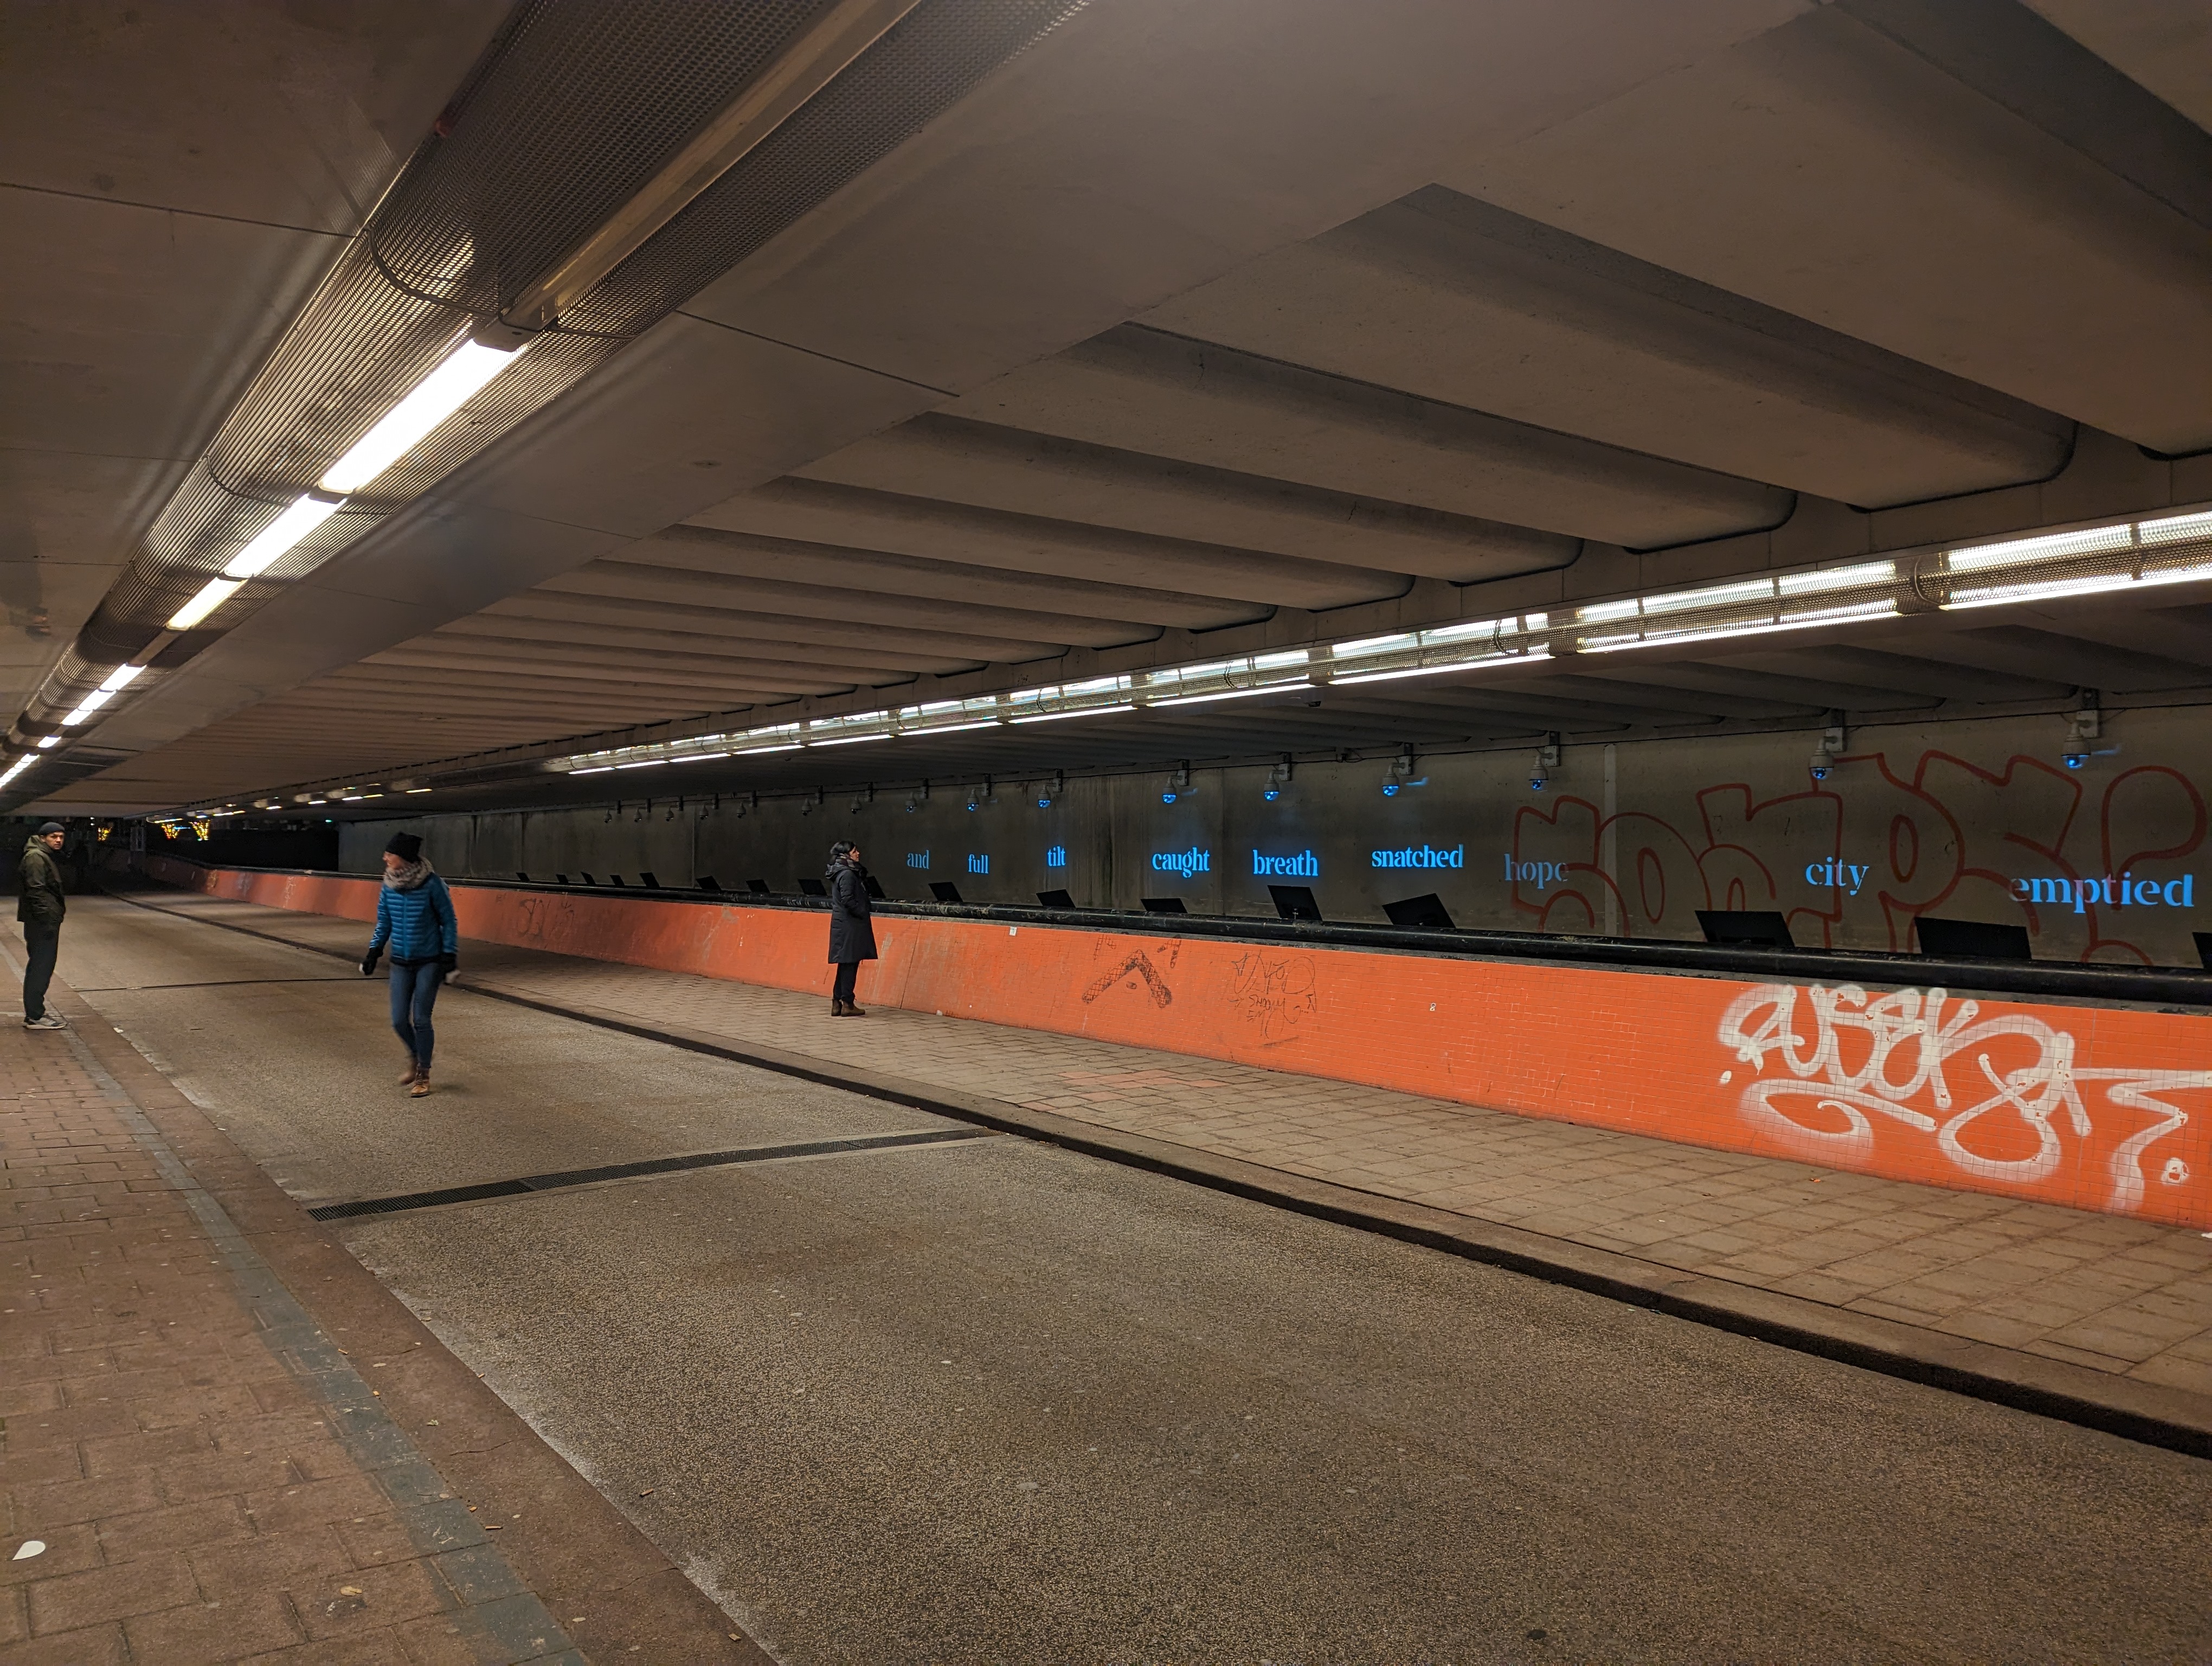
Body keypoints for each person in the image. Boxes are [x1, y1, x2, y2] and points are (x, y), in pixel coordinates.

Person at [361, 832, 458, 1095]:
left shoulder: (432, 884)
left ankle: (423, 1074)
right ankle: (416, 1056)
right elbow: (384, 921)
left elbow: (449, 920)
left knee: (422, 1020)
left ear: (403, 857)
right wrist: (374, 950)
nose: (385, 858)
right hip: (400, 962)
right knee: (398, 1021)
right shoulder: (388, 884)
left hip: (429, 960)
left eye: (389, 854)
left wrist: (449, 955)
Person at [18, 821, 68, 1030]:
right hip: (41, 923)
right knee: (41, 968)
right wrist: (48, 919)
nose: (58, 840)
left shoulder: (40, 856)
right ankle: (35, 1016)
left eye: (61, 837)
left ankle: (35, 1013)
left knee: (41, 967)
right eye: (53, 837)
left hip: (41, 921)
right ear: (42, 838)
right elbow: (36, 891)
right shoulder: (36, 858)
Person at [825, 840, 876, 1016]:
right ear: (846, 854)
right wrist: (863, 911)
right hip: (850, 926)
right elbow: (848, 899)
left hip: (844, 925)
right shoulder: (847, 874)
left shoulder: (840, 871)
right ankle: (847, 1002)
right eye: (855, 851)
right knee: (850, 963)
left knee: (845, 963)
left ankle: (837, 1002)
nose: (858, 853)